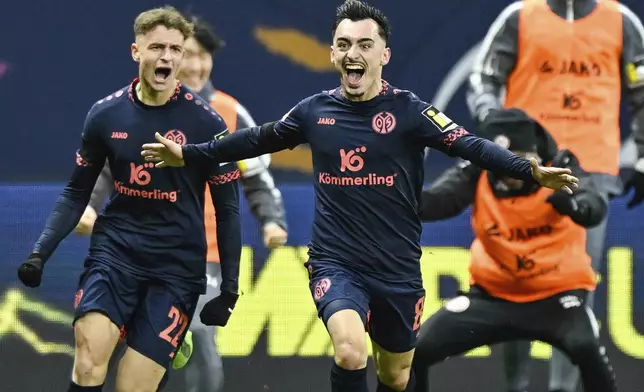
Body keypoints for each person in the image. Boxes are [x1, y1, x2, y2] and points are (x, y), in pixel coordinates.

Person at [141, 1, 578, 391]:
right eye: (344, 44)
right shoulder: (314, 111)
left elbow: (470, 144)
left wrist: (529, 169)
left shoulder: (412, 112)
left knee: (396, 375)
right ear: (333, 53)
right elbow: (254, 139)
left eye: (365, 44)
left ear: (383, 55)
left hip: (397, 267)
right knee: (350, 352)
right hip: (337, 262)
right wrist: (190, 154)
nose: (354, 53)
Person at [16, 7, 242, 392]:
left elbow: (228, 209)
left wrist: (230, 290)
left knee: (132, 387)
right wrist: (40, 252)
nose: (167, 57)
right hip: (115, 254)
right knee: (88, 361)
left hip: (176, 269)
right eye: (157, 47)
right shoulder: (105, 115)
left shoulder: (208, 124)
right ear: (136, 51)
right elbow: (77, 190)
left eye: (176, 49)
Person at [73, 13, 287, 392]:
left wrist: (271, 221)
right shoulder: (131, 108)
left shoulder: (229, 113)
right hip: (133, 245)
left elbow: (256, 178)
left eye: (203, 56)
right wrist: (89, 207)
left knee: (202, 335)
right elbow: (107, 169)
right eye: (186, 54)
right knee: (116, 347)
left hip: (196, 252)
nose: (195, 65)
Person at [467, 1, 644, 390]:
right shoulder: (520, 17)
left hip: (591, 171)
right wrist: (494, 127)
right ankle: (517, 386)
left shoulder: (620, 21)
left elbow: (642, 91)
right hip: (527, 169)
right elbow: (484, 77)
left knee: (575, 289)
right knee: (514, 283)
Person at [410, 108, 616, 392]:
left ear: (535, 155)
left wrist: (577, 207)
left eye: (518, 162)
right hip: (492, 298)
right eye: (500, 164)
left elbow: (593, 203)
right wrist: (397, 192)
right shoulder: (476, 173)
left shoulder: (560, 165)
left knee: (585, 348)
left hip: (555, 297)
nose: (508, 173)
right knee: (415, 351)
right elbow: (437, 201)